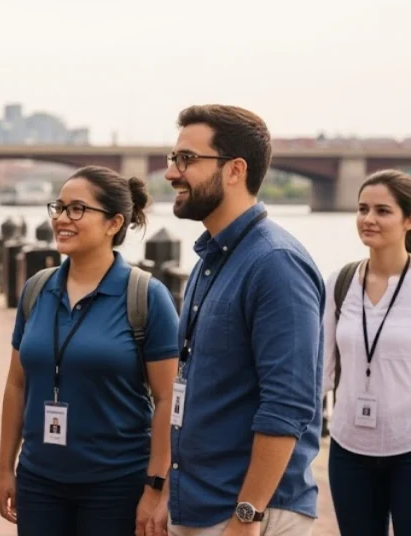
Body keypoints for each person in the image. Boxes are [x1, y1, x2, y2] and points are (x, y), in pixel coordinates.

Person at [158, 105, 325, 536]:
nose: (171, 173)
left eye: (187, 160)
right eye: (173, 158)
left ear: (234, 170)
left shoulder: (275, 263)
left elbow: (288, 405)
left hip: (248, 515)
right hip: (201, 504)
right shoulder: (212, 258)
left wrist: (247, 516)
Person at [0, 166, 180, 536]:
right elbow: (17, 385)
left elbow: (167, 399)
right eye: (59, 208)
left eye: (77, 209)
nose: (62, 219)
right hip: (39, 480)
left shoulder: (145, 295)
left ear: (113, 223)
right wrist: (5, 469)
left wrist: (156, 487)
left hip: (115, 483)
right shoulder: (37, 289)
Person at [323, 170, 411, 535]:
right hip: (348, 449)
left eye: (382, 211)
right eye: (362, 209)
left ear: (408, 220)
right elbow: (320, 370)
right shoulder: (340, 283)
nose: (368, 219)